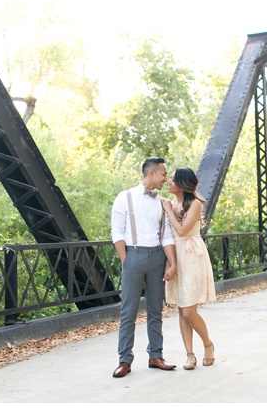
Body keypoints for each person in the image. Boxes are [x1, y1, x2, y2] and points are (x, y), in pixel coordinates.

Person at [110, 157, 178, 378]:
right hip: (133, 254)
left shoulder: (163, 202)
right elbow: (117, 232)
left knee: (155, 310)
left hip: (157, 256)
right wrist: (126, 260)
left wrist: (172, 262)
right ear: (151, 173)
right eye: (164, 174)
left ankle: (155, 355)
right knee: (128, 310)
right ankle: (124, 360)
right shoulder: (125, 197)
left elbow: (167, 235)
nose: (165, 179)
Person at [161, 167, 217, 370]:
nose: (169, 182)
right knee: (181, 306)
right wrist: (169, 262)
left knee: (188, 311)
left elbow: (183, 231)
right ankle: (189, 355)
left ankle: (208, 344)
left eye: (173, 179)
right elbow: (167, 235)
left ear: (183, 184)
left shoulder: (195, 204)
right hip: (175, 256)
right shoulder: (171, 204)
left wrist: (168, 211)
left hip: (192, 256)